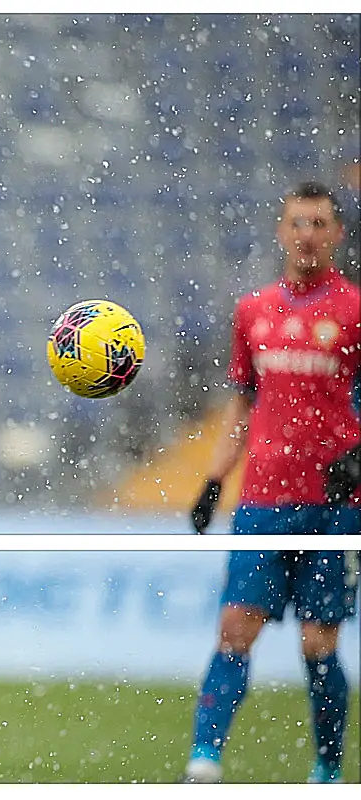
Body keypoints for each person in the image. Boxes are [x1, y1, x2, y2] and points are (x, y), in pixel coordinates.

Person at [184, 181, 361, 784]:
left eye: (318, 223)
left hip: (335, 509)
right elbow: (242, 404)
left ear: (337, 234)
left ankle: (327, 769)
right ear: (281, 232)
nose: (306, 234)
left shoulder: (355, 312)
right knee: (236, 627)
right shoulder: (253, 311)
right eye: (296, 223)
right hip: (263, 498)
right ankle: (203, 762)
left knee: (319, 643)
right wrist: (213, 481)